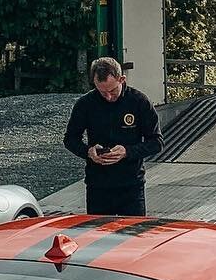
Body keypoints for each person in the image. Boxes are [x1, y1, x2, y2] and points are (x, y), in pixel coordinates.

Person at [63, 57, 162, 216]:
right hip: (98, 186)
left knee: (132, 237)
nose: (108, 97)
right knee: (98, 237)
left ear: (121, 79)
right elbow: (70, 139)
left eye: (112, 91)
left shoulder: (139, 101)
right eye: (102, 92)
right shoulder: (85, 103)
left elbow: (156, 142)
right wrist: (88, 151)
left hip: (131, 186)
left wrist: (127, 152)